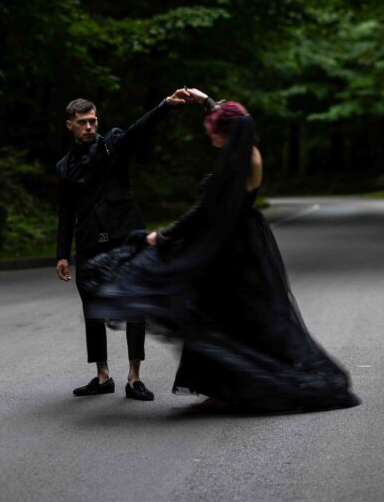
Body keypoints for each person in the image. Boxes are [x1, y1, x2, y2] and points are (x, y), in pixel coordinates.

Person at [82, 92, 360, 413]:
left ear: (224, 132)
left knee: (222, 319)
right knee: (228, 318)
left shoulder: (235, 162)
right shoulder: (248, 150)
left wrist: (164, 236)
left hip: (232, 251)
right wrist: (207, 101)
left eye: (212, 128)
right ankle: (223, 388)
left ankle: (239, 388)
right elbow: (236, 120)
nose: (207, 131)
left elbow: (204, 212)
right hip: (243, 243)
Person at [56, 89, 192, 401]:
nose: (89, 127)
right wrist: (62, 254)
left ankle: (134, 377)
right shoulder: (65, 166)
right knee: (92, 305)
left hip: (124, 234)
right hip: (89, 239)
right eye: (82, 122)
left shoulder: (112, 143)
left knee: (134, 302)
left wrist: (164, 105)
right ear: (70, 126)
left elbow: (137, 130)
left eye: (93, 121)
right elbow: (65, 213)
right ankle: (103, 376)